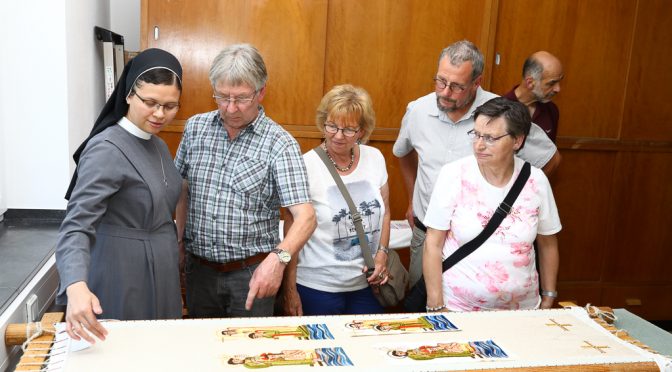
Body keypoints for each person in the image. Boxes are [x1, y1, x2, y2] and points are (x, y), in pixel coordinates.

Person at [393, 40, 562, 287]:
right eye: (440, 81)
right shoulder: (417, 110)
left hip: (482, 240)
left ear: (476, 82)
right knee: (425, 308)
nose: (445, 92)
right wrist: (411, 199)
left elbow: (551, 159)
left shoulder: (503, 113)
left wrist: (516, 198)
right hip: (427, 232)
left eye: (457, 86)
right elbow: (403, 153)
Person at [174, 43, 316, 318]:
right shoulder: (195, 129)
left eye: (241, 98)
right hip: (199, 271)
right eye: (222, 97)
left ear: (261, 92)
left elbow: (306, 217)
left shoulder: (280, 144)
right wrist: (179, 241)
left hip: (252, 274)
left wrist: (279, 260)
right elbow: (181, 187)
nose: (230, 108)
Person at [56, 48, 184, 343]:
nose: (160, 114)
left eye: (170, 106)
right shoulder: (107, 148)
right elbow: (76, 225)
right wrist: (75, 285)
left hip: (161, 275)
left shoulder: (159, 146)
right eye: (150, 103)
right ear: (128, 95)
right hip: (120, 273)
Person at [423, 97, 561, 312]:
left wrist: (549, 296)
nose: (479, 144)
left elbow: (548, 242)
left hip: (523, 310)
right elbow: (433, 243)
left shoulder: (536, 180)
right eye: (476, 134)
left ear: (517, 141)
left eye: (490, 138)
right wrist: (436, 304)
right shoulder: (454, 174)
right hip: (459, 307)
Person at [281, 84, 390, 316]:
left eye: (349, 129)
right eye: (332, 126)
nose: (338, 136)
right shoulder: (306, 165)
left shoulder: (375, 159)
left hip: (364, 286)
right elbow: (292, 232)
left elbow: (386, 212)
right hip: (316, 287)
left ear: (362, 130)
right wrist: (289, 290)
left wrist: (382, 253)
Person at [503, 51, 564, 142]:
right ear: (530, 83)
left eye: (559, 81)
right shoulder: (499, 109)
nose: (558, 89)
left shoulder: (552, 110)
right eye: (552, 83)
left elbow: (550, 153)